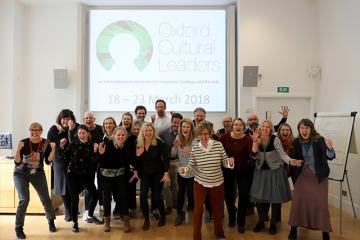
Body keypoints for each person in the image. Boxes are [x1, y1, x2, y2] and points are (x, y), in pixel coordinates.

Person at [178, 122, 235, 240]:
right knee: (198, 210)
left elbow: (225, 162)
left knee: (217, 210)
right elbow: (191, 166)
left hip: (217, 183)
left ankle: (219, 234)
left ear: (210, 133)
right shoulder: (195, 148)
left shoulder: (218, 145)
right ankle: (197, 237)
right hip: (200, 183)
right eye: (200, 134)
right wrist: (183, 170)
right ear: (197, 135)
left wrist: (230, 162)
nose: (203, 136)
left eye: (206, 133)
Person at [250, 120, 302, 235]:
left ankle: (273, 223)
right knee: (258, 198)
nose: (265, 129)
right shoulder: (256, 137)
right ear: (260, 128)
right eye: (263, 126)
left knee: (275, 198)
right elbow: (253, 155)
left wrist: (291, 161)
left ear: (271, 129)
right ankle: (261, 221)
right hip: (260, 172)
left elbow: (282, 154)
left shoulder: (275, 139)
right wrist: (255, 142)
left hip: (275, 171)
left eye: (267, 127)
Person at [288, 119, 335, 240]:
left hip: (318, 177)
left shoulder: (319, 140)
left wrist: (330, 149)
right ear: (299, 129)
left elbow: (329, 156)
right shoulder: (296, 142)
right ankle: (293, 229)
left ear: (311, 129)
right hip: (302, 176)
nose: (304, 130)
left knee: (321, 204)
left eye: (307, 128)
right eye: (302, 128)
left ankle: (325, 233)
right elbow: (293, 159)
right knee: (297, 202)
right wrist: (295, 162)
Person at [14, 122, 57, 239]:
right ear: (29, 131)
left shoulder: (45, 143)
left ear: (41, 131)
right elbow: (17, 162)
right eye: (32, 130)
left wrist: (53, 150)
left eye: (37, 130)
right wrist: (18, 149)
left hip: (37, 174)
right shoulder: (24, 142)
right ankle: (18, 227)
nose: (34, 132)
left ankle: (51, 221)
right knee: (24, 200)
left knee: (46, 199)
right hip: (20, 174)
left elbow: (48, 162)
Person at [60, 125, 103, 233]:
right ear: (77, 134)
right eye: (79, 133)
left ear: (88, 133)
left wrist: (97, 152)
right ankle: (75, 223)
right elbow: (63, 157)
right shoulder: (73, 144)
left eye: (84, 133)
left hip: (85, 175)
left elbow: (94, 162)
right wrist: (61, 147)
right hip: (72, 175)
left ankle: (90, 215)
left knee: (95, 195)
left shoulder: (91, 145)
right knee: (75, 199)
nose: (81, 135)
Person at [98, 126, 138, 233]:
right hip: (106, 175)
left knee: (123, 196)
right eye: (118, 134)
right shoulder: (107, 145)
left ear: (126, 136)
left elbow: (132, 160)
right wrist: (100, 154)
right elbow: (100, 162)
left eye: (123, 135)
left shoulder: (128, 146)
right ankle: (107, 221)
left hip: (120, 175)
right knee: (107, 198)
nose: (120, 136)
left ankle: (126, 221)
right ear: (114, 135)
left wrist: (135, 169)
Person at [219, 118, 255, 233]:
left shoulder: (248, 138)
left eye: (240, 125)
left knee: (243, 195)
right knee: (228, 196)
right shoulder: (224, 137)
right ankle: (232, 217)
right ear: (232, 126)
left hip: (244, 170)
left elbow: (253, 153)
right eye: (235, 124)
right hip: (228, 170)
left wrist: (254, 142)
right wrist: (226, 159)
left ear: (243, 127)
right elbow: (219, 152)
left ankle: (241, 222)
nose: (238, 126)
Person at [136, 122, 170, 231]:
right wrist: (138, 156)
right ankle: (146, 219)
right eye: (146, 130)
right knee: (142, 196)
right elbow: (136, 162)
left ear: (153, 132)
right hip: (145, 174)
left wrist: (166, 173)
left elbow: (166, 159)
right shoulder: (138, 143)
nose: (148, 132)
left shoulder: (159, 143)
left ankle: (162, 216)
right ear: (142, 132)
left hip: (157, 173)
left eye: (150, 130)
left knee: (156, 196)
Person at [47, 109, 78, 222]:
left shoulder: (77, 127)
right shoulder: (54, 129)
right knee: (63, 185)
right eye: (63, 118)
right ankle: (67, 211)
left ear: (72, 119)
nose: (65, 121)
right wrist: (59, 145)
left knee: (73, 185)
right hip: (59, 160)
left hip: (73, 160)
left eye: (68, 118)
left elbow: (77, 143)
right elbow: (48, 146)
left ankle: (73, 207)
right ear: (60, 119)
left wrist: (70, 130)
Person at [171, 118, 195, 226]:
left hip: (193, 172)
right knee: (181, 193)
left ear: (191, 128)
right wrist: (175, 148)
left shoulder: (195, 140)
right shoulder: (178, 137)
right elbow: (172, 154)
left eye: (187, 127)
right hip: (181, 170)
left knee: (191, 194)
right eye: (183, 127)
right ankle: (179, 214)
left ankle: (195, 213)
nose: (185, 129)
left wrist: (190, 153)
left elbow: (199, 158)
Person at [158, 112, 183, 215]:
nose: (176, 125)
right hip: (165, 163)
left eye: (178, 123)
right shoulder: (163, 133)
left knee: (175, 184)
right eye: (174, 122)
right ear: (171, 121)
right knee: (165, 185)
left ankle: (176, 203)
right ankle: (168, 205)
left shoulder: (184, 133)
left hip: (178, 162)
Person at [82, 111, 104, 221]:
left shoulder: (101, 129)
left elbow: (105, 142)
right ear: (84, 119)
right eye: (86, 118)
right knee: (88, 186)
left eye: (90, 118)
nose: (88, 120)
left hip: (100, 160)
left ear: (94, 119)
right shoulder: (81, 131)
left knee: (101, 184)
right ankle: (87, 209)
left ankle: (102, 205)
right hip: (88, 163)